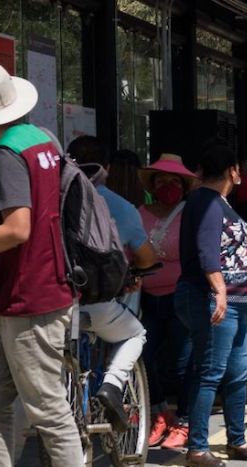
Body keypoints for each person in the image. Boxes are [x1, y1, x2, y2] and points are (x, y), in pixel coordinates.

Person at [0, 60, 83, 466]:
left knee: (47, 409)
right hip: (37, 289)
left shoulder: (6, 154)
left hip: (27, 296)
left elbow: (17, 229)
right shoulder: (42, 140)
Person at [175, 142, 247, 466]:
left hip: (235, 304)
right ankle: (198, 447)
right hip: (214, 300)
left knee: (237, 372)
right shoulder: (206, 202)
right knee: (211, 371)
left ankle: (236, 440)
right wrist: (220, 290)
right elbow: (206, 250)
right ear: (233, 171)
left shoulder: (216, 202)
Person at [66, 135, 156, 432]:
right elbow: (146, 258)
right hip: (98, 300)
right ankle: (113, 385)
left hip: (56, 302)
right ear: (106, 167)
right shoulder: (120, 205)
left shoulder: (55, 197)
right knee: (136, 334)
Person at [138, 153, 198, 448]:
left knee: (180, 363)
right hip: (147, 299)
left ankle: (185, 420)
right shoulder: (141, 212)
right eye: (161, 181)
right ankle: (160, 413)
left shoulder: (190, 214)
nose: (167, 186)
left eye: (174, 181)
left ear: (184, 186)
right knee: (143, 357)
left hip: (181, 299)